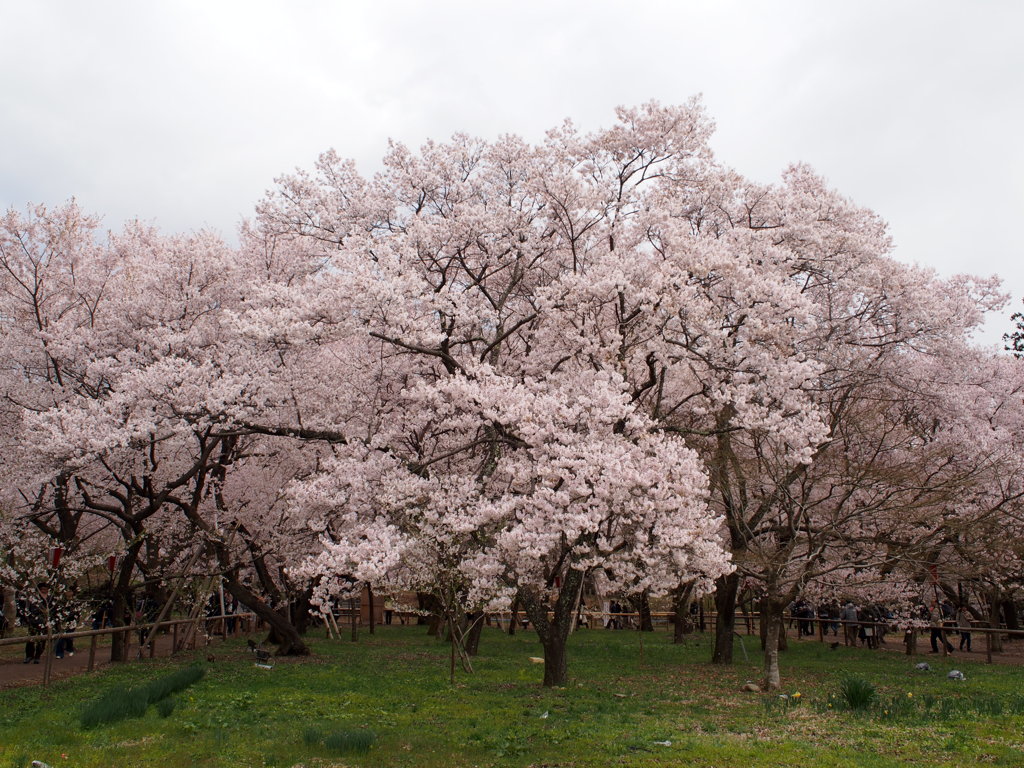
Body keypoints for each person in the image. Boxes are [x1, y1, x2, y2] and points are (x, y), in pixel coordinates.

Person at [19, 583, 51, 664]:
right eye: (42, 589)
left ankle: (38, 656)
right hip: (33, 621)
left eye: (45, 589)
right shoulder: (34, 598)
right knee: (31, 639)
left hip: (45, 622)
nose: (44, 591)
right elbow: (28, 608)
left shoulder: (50, 598)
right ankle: (29, 656)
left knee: (42, 640)